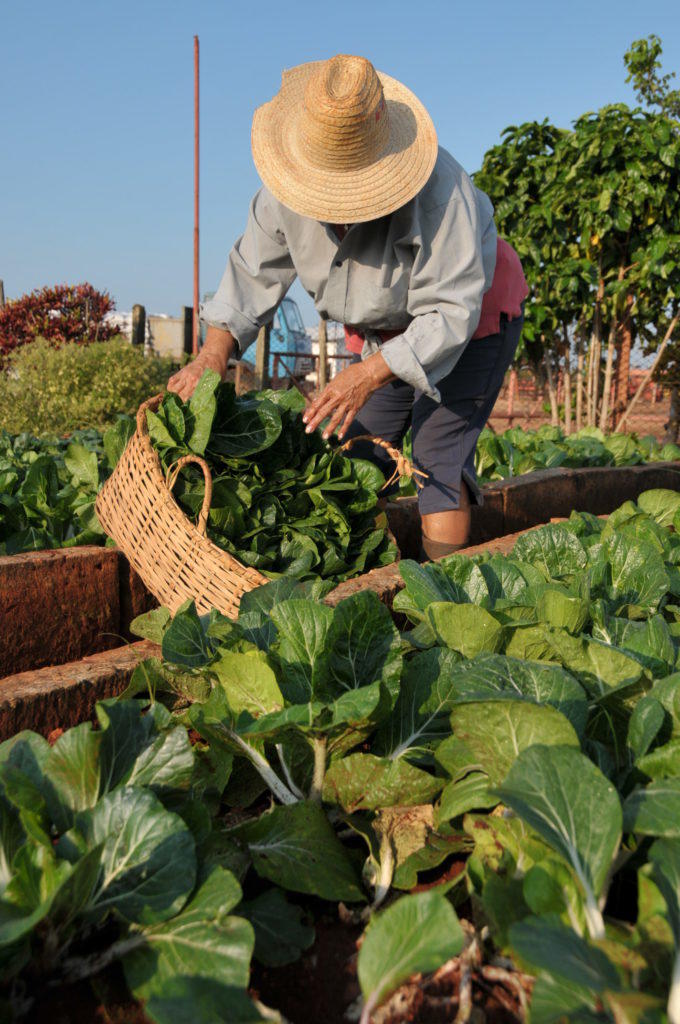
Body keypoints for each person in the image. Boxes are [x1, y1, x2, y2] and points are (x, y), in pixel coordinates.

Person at [168, 54, 528, 559]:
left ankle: (443, 604)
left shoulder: (441, 193)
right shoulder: (281, 192)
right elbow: (251, 276)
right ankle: (361, 573)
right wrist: (213, 354)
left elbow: (450, 312)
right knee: (353, 452)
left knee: (434, 456)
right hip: (385, 335)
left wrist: (363, 376)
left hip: (470, 324)